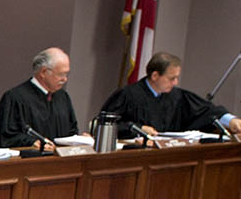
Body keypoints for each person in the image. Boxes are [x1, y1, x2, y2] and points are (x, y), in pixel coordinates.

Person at [100, 51, 241, 139]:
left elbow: (205, 110)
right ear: (155, 75)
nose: (175, 82)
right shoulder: (128, 95)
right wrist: (138, 128)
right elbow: (103, 125)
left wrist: (230, 120)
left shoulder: (176, 96)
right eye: (171, 78)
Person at [0, 47, 81, 150]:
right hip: (29, 162)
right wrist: (33, 143)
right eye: (61, 74)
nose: (65, 79)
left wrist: (78, 140)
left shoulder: (63, 97)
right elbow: (5, 138)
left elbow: (72, 130)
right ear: (43, 72)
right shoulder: (15, 98)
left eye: (66, 74)